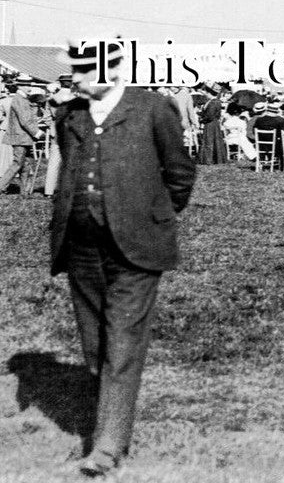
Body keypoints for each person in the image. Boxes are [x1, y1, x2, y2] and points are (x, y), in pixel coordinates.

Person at [51, 36, 196, 476]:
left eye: (81, 71)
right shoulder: (69, 115)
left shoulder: (152, 108)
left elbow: (180, 172)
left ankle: (107, 447)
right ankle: (110, 418)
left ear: (108, 72)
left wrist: (152, 216)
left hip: (136, 248)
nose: (72, 79)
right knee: (95, 345)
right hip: (81, 247)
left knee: (122, 344)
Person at [0, 76, 42, 195]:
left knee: (26, 165)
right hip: (20, 136)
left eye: (30, 85)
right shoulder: (19, 100)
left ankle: (24, 191)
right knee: (18, 163)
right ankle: (2, 186)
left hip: (23, 136)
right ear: (20, 86)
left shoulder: (23, 99)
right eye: (27, 85)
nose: (29, 88)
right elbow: (25, 121)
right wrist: (38, 133)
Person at [195, 87, 227, 165]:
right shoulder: (214, 101)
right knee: (215, 141)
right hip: (214, 123)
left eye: (207, 93)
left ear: (210, 94)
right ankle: (217, 159)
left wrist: (202, 120)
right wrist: (200, 113)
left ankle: (208, 159)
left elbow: (210, 115)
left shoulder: (213, 102)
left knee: (209, 141)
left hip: (210, 123)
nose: (206, 94)